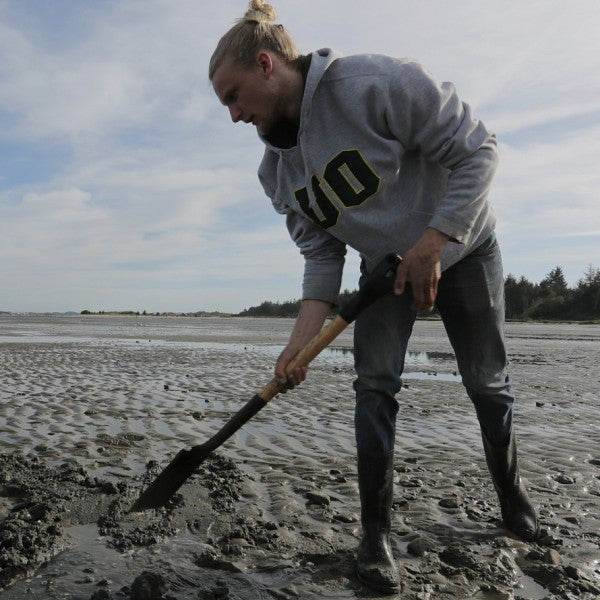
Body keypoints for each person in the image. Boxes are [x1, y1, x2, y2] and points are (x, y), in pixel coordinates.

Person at [209, 1, 540, 594]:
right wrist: (297, 347)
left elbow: (479, 149)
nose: (233, 116)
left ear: (265, 65)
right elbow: (321, 258)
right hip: (382, 271)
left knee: (487, 382)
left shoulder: (377, 84)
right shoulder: (276, 174)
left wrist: (434, 241)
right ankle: (375, 535)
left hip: (463, 245)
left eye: (233, 97)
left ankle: (514, 500)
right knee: (374, 387)